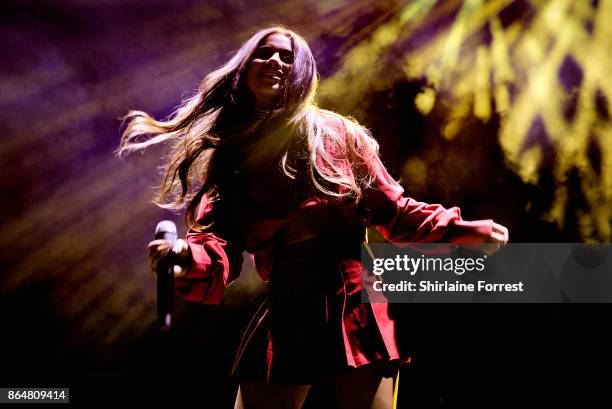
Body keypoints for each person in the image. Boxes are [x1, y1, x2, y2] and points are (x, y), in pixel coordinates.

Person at [118, 26, 508, 409]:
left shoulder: (337, 134)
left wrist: (462, 231)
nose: (275, 60)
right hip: (289, 302)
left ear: (302, 74)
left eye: (288, 56)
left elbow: (395, 211)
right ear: (244, 68)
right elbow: (216, 243)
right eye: (265, 52)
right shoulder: (231, 160)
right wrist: (186, 256)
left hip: (355, 300)